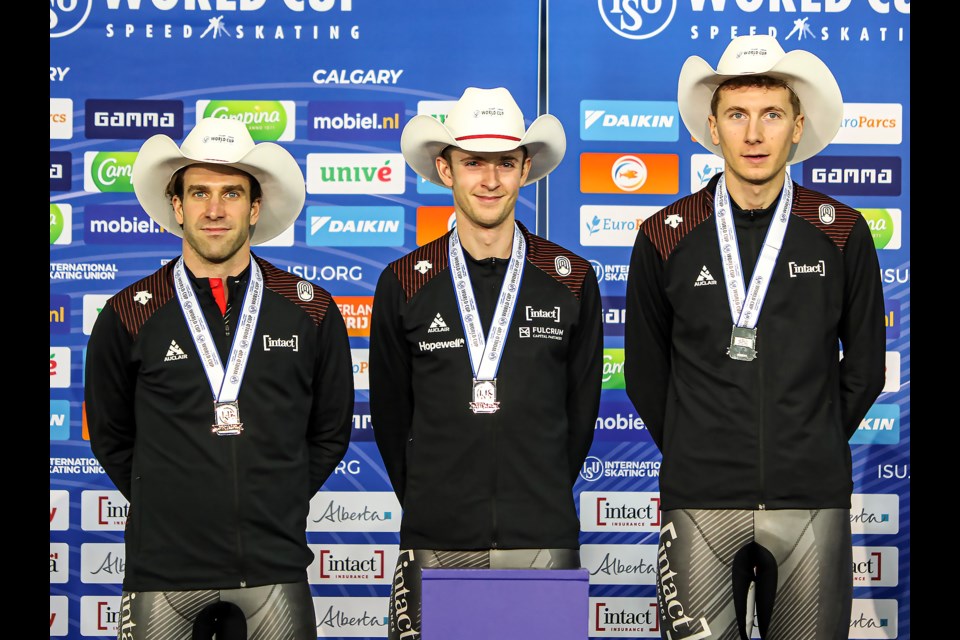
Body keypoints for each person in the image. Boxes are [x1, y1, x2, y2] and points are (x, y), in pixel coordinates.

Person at [624, 35, 886, 640]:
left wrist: (809, 443)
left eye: (771, 114)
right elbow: (644, 374)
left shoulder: (842, 233)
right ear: (712, 129)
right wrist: (701, 447)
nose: (754, 133)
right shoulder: (663, 236)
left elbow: (866, 369)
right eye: (737, 114)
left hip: (810, 501)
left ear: (797, 126)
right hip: (699, 503)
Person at [85, 117, 355, 639]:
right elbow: (113, 439)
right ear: (177, 205)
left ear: (254, 207)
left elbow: (330, 433)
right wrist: (166, 500)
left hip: (273, 570)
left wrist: (276, 500)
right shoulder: (129, 314)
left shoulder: (311, 312)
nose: (214, 209)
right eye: (199, 192)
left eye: (231, 193)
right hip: (162, 573)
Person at [369, 86, 603, 640]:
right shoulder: (403, 282)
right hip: (436, 538)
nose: (490, 180)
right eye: (474, 162)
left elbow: (580, 417)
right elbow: (391, 418)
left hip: (542, 534)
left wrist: (535, 490)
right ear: (445, 169)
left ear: (525, 168)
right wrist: (437, 497)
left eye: (504, 163)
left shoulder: (571, 279)